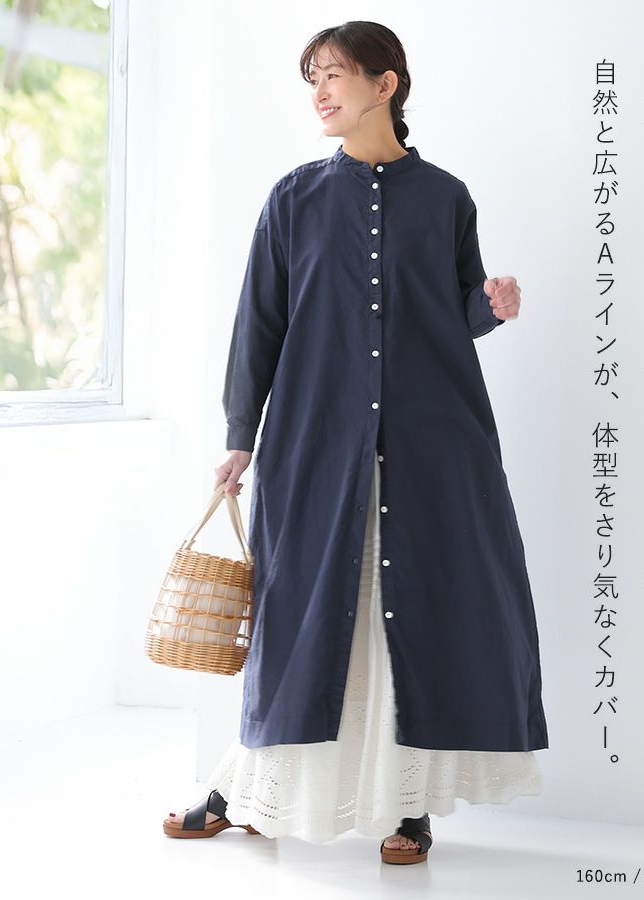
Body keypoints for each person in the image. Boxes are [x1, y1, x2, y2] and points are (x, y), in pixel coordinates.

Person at [163, 20, 548, 864]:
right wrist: (240, 436)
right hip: (314, 441)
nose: (321, 93)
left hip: (432, 444)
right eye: (313, 79)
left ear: (386, 84)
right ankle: (247, 791)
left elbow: (456, 311)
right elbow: (258, 325)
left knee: (410, 620)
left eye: (334, 75)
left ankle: (408, 809)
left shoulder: (445, 197)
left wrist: (491, 304)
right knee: (297, 622)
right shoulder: (293, 199)